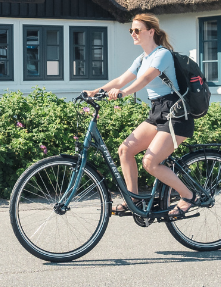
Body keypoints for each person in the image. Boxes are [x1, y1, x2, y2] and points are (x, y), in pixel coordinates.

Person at [84, 13, 197, 217]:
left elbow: (145, 79)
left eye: (137, 30)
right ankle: (134, 200)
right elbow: (120, 79)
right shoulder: (142, 58)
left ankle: (188, 195)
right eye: (131, 30)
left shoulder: (162, 54)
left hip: (176, 114)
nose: (133, 34)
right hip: (158, 111)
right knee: (125, 150)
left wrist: (124, 93)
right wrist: (95, 91)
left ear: (151, 31)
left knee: (150, 162)